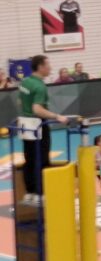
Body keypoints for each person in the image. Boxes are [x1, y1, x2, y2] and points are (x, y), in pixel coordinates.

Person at [17, 55, 69, 205]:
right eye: (48, 65)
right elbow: (37, 109)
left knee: (29, 158)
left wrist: (27, 112)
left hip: (25, 124)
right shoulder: (40, 86)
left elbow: (20, 101)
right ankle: (40, 194)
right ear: (40, 67)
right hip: (38, 125)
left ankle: (30, 193)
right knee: (42, 158)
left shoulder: (25, 82)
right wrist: (57, 116)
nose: (50, 67)